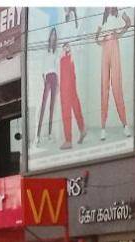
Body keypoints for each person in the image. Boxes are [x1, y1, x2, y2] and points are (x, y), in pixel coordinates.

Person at [96, 7, 132, 140]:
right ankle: (103, 128)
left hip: (114, 45)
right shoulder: (103, 16)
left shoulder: (119, 11)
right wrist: (100, 40)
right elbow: (96, 37)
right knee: (104, 87)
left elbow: (128, 22)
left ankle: (125, 125)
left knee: (116, 86)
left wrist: (120, 33)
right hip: (105, 47)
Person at [59, 8, 86, 149]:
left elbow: (73, 44)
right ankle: (82, 129)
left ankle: (69, 139)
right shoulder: (67, 24)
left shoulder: (71, 25)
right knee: (74, 100)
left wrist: (68, 49)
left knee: (66, 103)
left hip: (68, 62)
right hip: (66, 63)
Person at [36, 27, 59, 145]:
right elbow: (42, 66)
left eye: (55, 35)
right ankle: (38, 135)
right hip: (47, 77)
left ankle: (49, 134)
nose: (53, 36)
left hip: (54, 76)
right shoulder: (46, 51)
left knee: (51, 107)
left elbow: (57, 66)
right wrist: (44, 78)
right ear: (50, 36)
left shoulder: (56, 51)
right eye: (52, 34)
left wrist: (57, 81)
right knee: (43, 105)